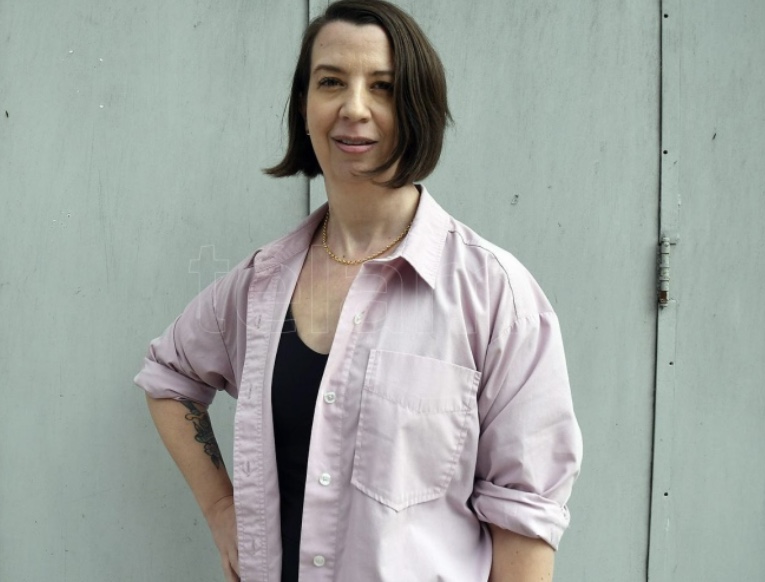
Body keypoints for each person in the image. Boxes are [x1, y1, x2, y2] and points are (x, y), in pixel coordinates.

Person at [134, 1, 582, 580]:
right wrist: (222, 508)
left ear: (417, 107)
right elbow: (169, 377)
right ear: (304, 105)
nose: (353, 108)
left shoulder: (496, 298)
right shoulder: (260, 284)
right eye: (330, 82)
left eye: (383, 87)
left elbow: (524, 522)